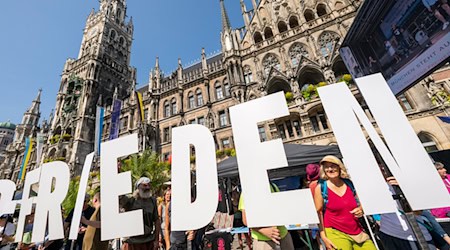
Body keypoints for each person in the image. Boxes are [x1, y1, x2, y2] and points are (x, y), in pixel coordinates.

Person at [314, 155, 376, 250]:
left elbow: (364, 200)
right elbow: (319, 212)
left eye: (333, 166)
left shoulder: (349, 183)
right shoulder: (321, 187)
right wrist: (323, 236)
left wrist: (361, 209)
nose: (330, 169)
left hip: (357, 230)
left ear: (339, 167)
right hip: (335, 232)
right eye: (326, 167)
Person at [378, 177, 438, 250]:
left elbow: (418, 211)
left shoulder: (410, 180)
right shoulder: (376, 184)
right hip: (388, 233)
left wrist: (405, 189)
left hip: (418, 235)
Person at [239, 182, 295, 250]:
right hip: (263, 240)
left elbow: (281, 208)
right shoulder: (247, 191)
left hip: (283, 235)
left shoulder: (273, 185)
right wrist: (263, 230)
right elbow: (246, 220)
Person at [120, 177, 160, 250]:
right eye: (144, 185)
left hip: (148, 241)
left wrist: (156, 240)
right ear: (138, 187)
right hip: (132, 242)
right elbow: (119, 197)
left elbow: (156, 220)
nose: (147, 187)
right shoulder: (131, 200)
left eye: (149, 185)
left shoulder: (152, 201)